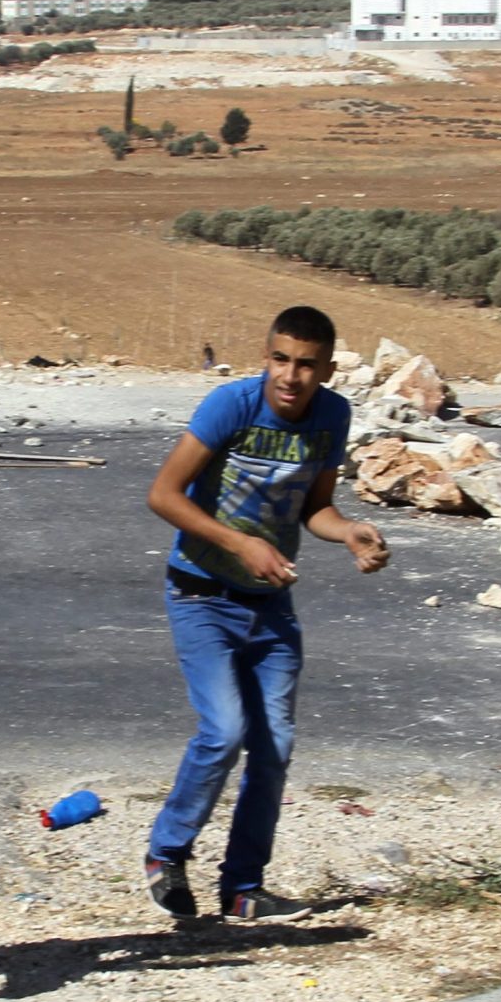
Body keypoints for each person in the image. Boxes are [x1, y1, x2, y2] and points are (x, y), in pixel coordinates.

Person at [142, 305, 389, 922]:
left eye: (307, 365)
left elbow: (317, 508)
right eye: (280, 359)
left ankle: (243, 887)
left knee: (274, 745)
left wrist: (351, 532)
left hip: (270, 605)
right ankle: (166, 854)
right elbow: (162, 495)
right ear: (266, 358)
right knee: (224, 731)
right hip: (201, 593)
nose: (291, 376)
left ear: (328, 369)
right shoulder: (230, 406)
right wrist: (239, 543)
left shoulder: (333, 416)